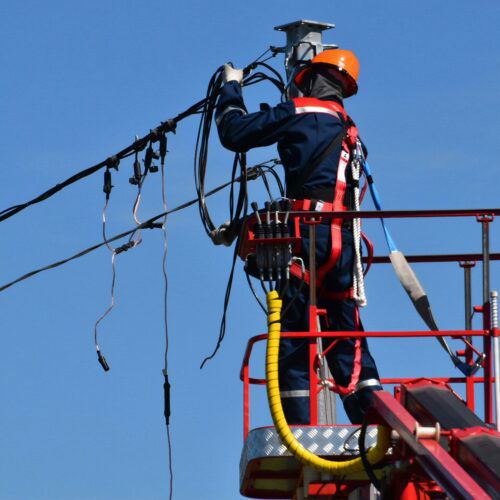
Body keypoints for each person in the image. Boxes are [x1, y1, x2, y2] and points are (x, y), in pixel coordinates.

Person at [214, 50, 382, 424]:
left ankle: (300, 427)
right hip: (342, 245)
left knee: (294, 337)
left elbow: (234, 133)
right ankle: (373, 415)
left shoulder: (300, 113)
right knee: (347, 334)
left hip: (305, 240)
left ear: (307, 80)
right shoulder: (349, 130)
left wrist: (230, 88)